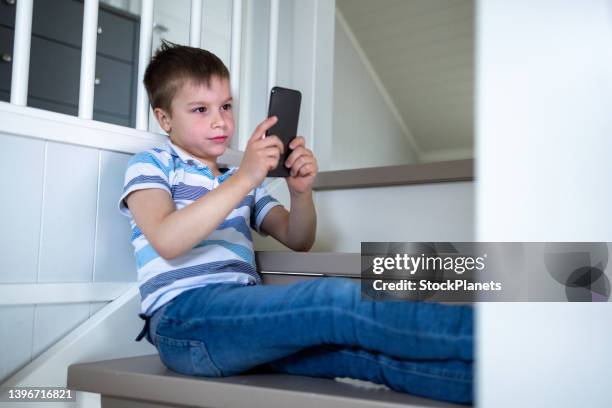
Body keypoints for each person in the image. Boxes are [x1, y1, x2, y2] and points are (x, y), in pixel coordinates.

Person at [118, 41, 473, 404]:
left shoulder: (239, 179)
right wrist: (246, 177)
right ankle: (501, 343)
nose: (220, 121)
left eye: (226, 106)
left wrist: (300, 192)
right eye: (200, 109)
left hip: (241, 316)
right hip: (185, 320)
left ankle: (506, 382)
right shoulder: (153, 164)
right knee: (333, 300)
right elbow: (167, 240)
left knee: (366, 358)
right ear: (165, 119)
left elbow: (298, 238)